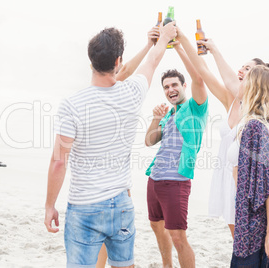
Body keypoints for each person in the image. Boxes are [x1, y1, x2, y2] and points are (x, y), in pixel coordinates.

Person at [44, 23, 177, 268]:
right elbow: (153, 61)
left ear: (90, 61)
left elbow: (59, 161)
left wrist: (50, 205)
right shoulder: (132, 93)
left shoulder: (72, 105)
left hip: (84, 207)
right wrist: (162, 39)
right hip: (121, 205)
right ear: (118, 61)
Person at [177, 28, 269, 238]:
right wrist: (181, 40)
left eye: (247, 69)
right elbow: (204, 71)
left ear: (257, 77)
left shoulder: (259, 113)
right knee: (237, 240)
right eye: (241, 66)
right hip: (226, 175)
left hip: (246, 180)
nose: (240, 70)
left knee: (249, 240)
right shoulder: (232, 101)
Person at [96, 26, 160, 268]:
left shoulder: (93, 93)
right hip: (111, 190)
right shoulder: (116, 93)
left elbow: (125, 70)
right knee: (120, 254)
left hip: (98, 188)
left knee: (102, 244)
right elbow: (138, 69)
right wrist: (156, 44)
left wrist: (148, 46)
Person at [144, 39, 208, 267]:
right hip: (155, 179)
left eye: (174, 85)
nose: (170, 90)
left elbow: (199, 77)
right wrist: (154, 119)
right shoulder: (169, 114)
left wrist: (179, 46)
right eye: (166, 87)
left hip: (176, 181)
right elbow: (149, 141)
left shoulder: (195, 107)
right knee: (156, 226)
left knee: (178, 237)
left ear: (184, 86)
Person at [228, 65, 269, 267]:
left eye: (244, 80)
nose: (239, 83)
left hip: (256, 226)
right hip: (249, 220)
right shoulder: (258, 123)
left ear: (253, 87)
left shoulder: (255, 127)